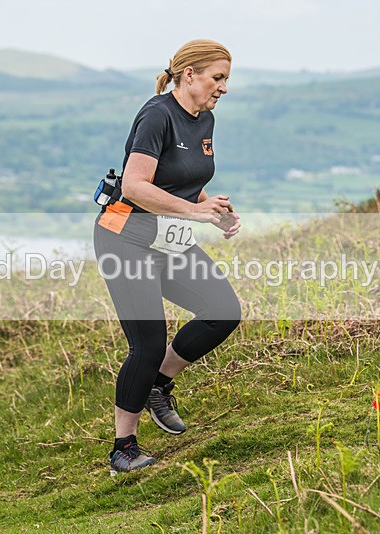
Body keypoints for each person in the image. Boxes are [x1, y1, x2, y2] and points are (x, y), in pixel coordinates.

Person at [94, 40, 242, 475]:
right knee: (148, 341)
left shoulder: (205, 119)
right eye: (218, 78)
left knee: (223, 311)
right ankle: (123, 446)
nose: (223, 88)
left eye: (227, 80)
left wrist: (210, 207)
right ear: (189, 74)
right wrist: (195, 211)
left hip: (167, 239)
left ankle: (159, 384)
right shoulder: (157, 114)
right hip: (126, 238)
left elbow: (180, 179)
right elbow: (137, 185)